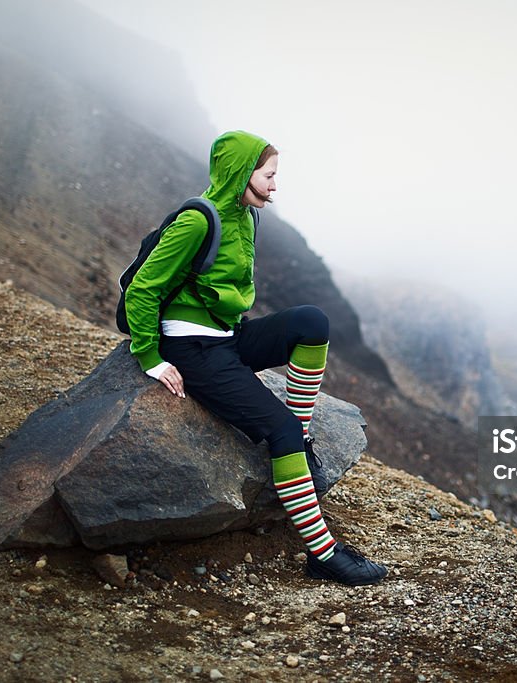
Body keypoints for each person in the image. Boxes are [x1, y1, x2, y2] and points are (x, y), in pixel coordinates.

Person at [124, 130, 387, 586]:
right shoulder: (197, 221)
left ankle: (298, 441)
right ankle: (321, 554)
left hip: (228, 337)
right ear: (242, 173)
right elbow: (145, 287)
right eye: (268, 175)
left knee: (312, 321)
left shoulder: (247, 217)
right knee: (277, 427)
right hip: (192, 349)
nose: (274, 185)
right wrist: (150, 355)